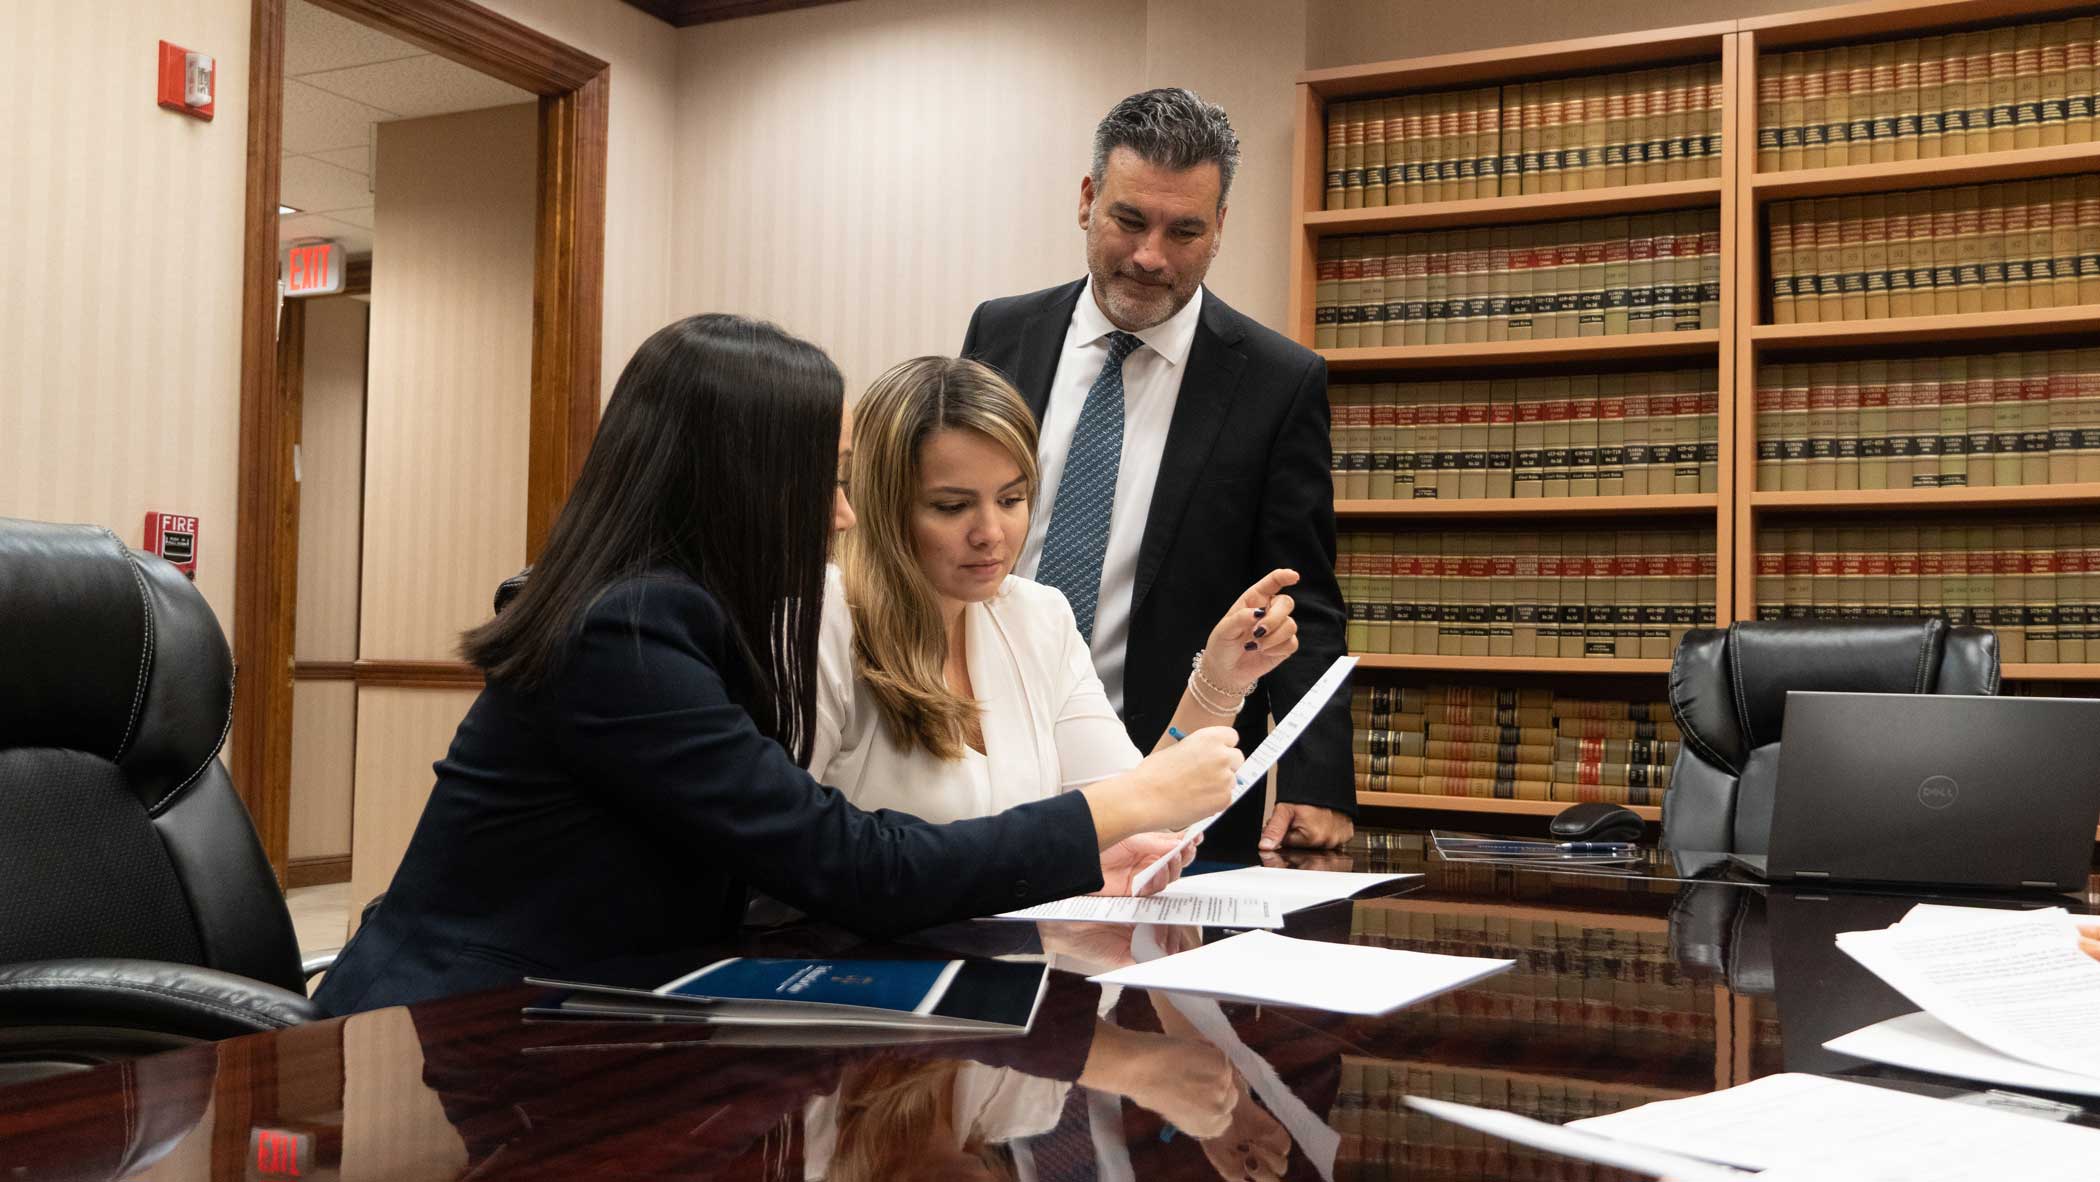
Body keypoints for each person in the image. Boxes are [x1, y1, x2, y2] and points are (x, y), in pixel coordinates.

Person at [313, 314, 1243, 1016]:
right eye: (829, 481)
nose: (845, 516)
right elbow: (849, 864)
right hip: (466, 1026)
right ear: (742, 485)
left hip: (606, 1007)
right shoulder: (623, 638)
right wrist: (1127, 804)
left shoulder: (676, 614)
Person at [961, 87, 1355, 852]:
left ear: (1220, 228)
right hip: (982, 758)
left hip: (1171, 775)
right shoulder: (1000, 333)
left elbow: (1298, 604)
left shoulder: (1278, 383)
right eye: (1130, 220)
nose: (1150, 257)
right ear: (1087, 200)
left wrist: (1316, 780)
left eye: (1184, 231)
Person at [811, 355, 1301, 822]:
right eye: (952, 506)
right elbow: (776, 863)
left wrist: (1220, 679)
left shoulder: (1038, 616)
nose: (991, 532)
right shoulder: (822, 624)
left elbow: (1140, 808)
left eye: (1011, 498)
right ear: (879, 502)